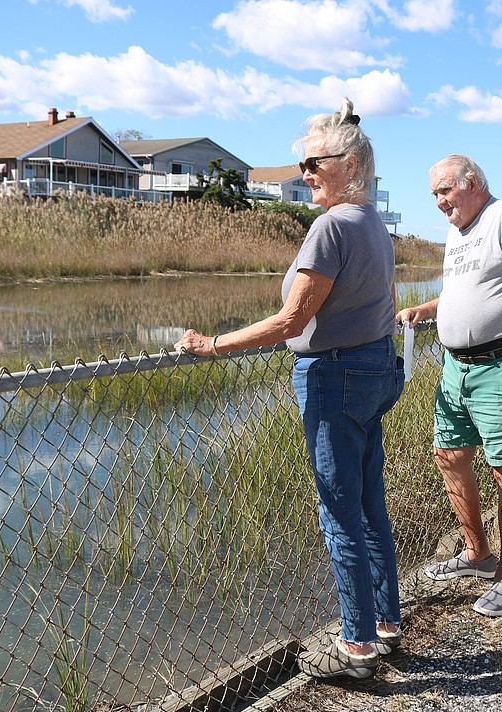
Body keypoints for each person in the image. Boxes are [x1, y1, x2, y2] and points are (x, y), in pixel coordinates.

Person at [175, 99, 404, 680]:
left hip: (334, 377)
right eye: (301, 166)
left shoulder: (331, 227)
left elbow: (289, 322)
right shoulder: (374, 225)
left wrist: (213, 345)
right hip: (374, 370)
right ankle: (384, 622)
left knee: (340, 514)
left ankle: (355, 649)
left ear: (351, 166)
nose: (304, 175)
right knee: (370, 506)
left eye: (313, 164)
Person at [396, 154, 502, 617]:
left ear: (472, 184)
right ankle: (478, 556)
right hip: (457, 368)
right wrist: (424, 312)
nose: (438, 202)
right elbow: (462, 294)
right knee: (448, 455)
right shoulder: (456, 233)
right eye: (433, 194)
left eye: (444, 190)